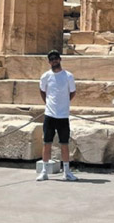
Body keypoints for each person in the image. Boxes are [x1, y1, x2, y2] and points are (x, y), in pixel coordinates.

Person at [37, 49, 77, 181]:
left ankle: (67, 172)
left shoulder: (68, 76)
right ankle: (44, 171)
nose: (54, 60)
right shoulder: (45, 76)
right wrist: (49, 103)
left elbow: (72, 92)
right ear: (49, 62)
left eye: (55, 58)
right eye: (51, 59)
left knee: (64, 144)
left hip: (63, 115)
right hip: (50, 114)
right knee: (46, 143)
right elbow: (42, 91)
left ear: (60, 59)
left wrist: (63, 103)